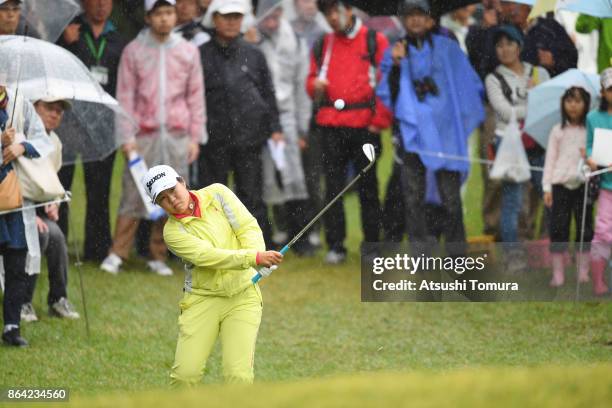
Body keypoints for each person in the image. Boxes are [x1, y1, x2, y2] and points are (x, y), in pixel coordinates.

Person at [139, 165, 283, 385]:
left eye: (172, 190)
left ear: (182, 181)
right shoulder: (172, 233)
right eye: (163, 199)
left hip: (243, 296)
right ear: (158, 205)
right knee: (184, 376)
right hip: (201, 299)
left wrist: (257, 255)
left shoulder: (218, 192)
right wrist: (253, 258)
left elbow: (247, 227)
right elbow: (209, 257)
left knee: (238, 376)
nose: (173, 200)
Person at [100, 0, 205, 276]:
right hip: (142, 136)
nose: (164, 19)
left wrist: (195, 137)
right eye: (158, 13)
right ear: (148, 17)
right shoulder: (134, 51)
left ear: (175, 15)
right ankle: (118, 252)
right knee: (134, 193)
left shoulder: (188, 51)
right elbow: (125, 96)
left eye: (169, 12)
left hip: (176, 135)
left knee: (171, 193)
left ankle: (158, 253)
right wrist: (126, 137)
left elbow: (195, 97)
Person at [377, 0, 484, 259]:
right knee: (413, 197)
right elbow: (390, 96)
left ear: (431, 20)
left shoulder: (448, 49)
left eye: (420, 15)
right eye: (410, 15)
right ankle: (420, 255)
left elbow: (467, 87)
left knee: (450, 197)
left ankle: (457, 254)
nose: (415, 21)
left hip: (445, 135)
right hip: (413, 137)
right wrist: (398, 65)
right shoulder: (395, 51)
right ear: (403, 20)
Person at [306, 0, 392, 264]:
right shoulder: (324, 43)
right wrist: (315, 86)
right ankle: (336, 245)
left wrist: (379, 121)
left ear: (350, 10)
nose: (332, 17)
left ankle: (372, 244)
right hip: (331, 125)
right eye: (327, 13)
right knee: (333, 188)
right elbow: (310, 82)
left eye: (336, 11)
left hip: (365, 126)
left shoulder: (374, 41)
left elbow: (387, 82)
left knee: (368, 187)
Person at [198, 0, 280, 247]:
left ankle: (257, 246)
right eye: (226, 16)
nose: (232, 21)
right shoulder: (201, 54)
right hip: (214, 139)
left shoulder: (255, 53)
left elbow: (268, 93)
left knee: (252, 195)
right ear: (214, 19)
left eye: (236, 16)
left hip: (249, 137)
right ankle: (214, 246)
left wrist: (275, 128)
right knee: (213, 197)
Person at [57, 0, 127, 263]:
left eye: (106, 1)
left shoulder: (118, 40)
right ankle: (57, 244)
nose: (100, 5)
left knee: (100, 189)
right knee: (61, 185)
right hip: (69, 120)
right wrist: (67, 43)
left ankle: (97, 249)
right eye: (94, 0)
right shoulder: (70, 33)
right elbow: (57, 70)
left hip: (102, 123)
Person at [485, 25, 550, 249]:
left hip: (537, 141)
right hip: (509, 142)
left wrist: (532, 101)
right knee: (512, 201)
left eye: (509, 44)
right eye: (499, 45)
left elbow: (550, 104)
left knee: (550, 196)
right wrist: (533, 100)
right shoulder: (493, 79)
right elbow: (504, 112)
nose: (504, 50)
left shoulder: (538, 73)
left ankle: (546, 249)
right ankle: (512, 254)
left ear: (519, 47)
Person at [256, 2, 313, 256]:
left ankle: (298, 237)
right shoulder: (251, 40)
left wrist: (302, 128)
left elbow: (301, 88)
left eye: (276, 15)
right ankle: (264, 238)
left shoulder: (295, 42)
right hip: (258, 119)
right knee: (261, 180)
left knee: (292, 178)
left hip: (288, 119)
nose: (272, 22)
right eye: (267, 17)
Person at [1, 80, 54, 347]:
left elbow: (43, 142)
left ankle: (12, 326)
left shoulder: (18, 101)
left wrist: (21, 145)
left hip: (15, 198)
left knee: (16, 262)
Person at [20, 98, 80, 322]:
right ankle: (22, 301)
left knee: (56, 236)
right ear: (35, 107)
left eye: (59, 111)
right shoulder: (19, 136)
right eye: (49, 108)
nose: (55, 114)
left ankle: (58, 298)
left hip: (38, 208)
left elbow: (51, 180)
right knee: (41, 234)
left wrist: (53, 202)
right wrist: (30, 215)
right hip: (15, 208)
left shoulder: (55, 142)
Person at [542, 86, 593, 287]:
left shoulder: (589, 131)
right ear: (563, 104)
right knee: (558, 229)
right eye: (569, 101)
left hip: (583, 185)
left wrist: (587, 156)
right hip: (560, 186)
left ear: (586, 105)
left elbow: (596, 158)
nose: (573, 106)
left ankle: (583, 272)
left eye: (578, 101)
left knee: (584, 229)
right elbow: (550, 160)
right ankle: (558, 273)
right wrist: (547, 187)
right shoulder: (557, 131)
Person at [586, 68, 612, 296]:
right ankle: (598, 280)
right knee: (603, 231)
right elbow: (589, 145)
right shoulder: (594, 118)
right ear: (603, 92)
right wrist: (592, 158)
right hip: (607, 186)